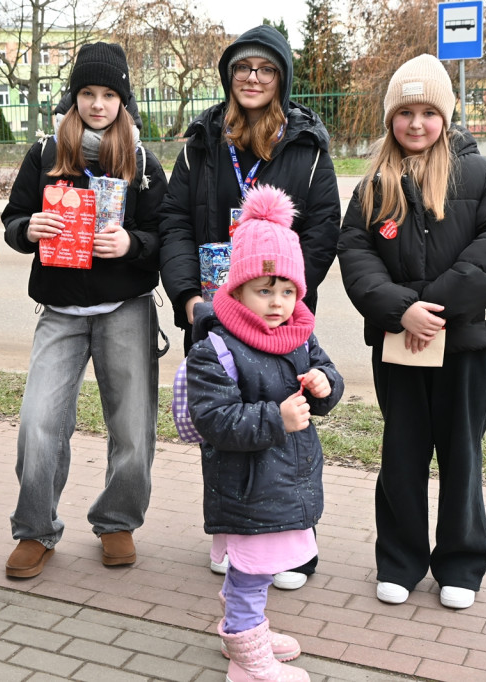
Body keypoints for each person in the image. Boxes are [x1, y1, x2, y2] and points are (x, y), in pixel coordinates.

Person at [337, 54, 486, 610]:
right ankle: (399, 560)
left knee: (461, 456)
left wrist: (430, 308)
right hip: (399, 347)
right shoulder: (374, 185)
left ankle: (460, 565)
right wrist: (401, 310)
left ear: (446, 114)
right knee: (402, 453)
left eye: (427, 112)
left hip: (466, 347)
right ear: (390, 117)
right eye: (404, 112)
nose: (415, 124)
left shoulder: (484, 177)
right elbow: (355, 252)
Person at [158, 23, 340, 589]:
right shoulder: (201, 141)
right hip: (213, 313)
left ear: (281, 78)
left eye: (265, 69)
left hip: (274, 315)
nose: (253, 78)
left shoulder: (307, 146)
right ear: (229, 76)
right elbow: (174, 222)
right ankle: (232, 532)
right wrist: (188, 296)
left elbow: (323, 230)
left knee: (284, 420)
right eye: (243, 68)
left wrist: (283, 294)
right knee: (224, 426)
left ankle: (291, 544)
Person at [0, 43, 168, 579]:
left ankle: (118, 521)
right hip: (60, 310)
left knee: (132, 424)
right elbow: (12, 220)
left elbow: (166, 235)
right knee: (40, 421)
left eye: (109, 94)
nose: (98, 104)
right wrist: (28, 229)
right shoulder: (46, 154)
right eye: (88, 94)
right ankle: (35, 530)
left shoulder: (141, 162)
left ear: (123, 100)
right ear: (74, 97)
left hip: (126, 308)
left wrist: (132, 245)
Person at [186, 184, 343, 682]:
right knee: (253, 567)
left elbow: (327, 376)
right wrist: (277, 418)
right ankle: (248, 655)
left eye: (288, 291)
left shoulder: (298, 333)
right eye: (264, 290)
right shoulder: (217, 348)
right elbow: (214, 419)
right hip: (246, 482)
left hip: (286, 478)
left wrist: (325, 386)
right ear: (235, 290)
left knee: (260, 567)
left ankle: (245, 626)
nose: (278, 303)